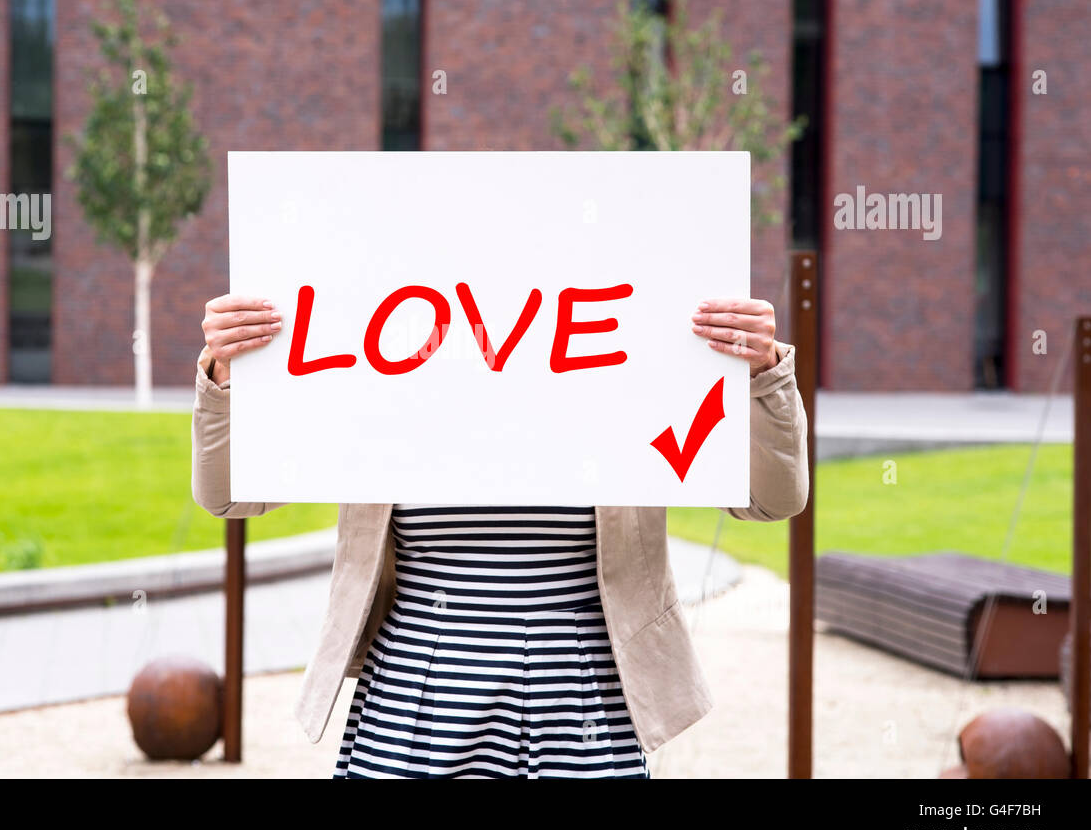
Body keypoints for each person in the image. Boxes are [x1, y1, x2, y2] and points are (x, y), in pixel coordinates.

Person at [192, 292, 808, 778]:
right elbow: (230, 494)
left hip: (584, 708)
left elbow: (772, 499)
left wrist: (763, 373)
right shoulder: (382, 377)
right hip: (414, 707)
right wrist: (225, 374)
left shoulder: (621, 369)